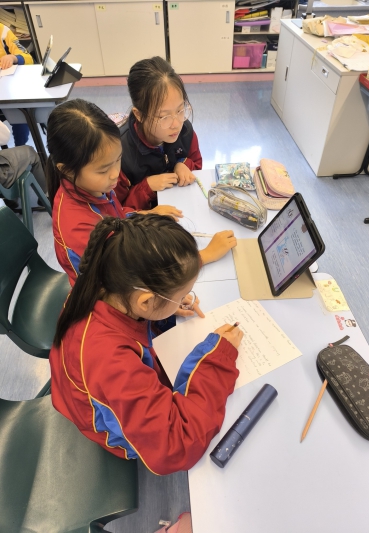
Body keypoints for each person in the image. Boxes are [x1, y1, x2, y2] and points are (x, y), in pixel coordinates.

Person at [49, 214, 243, 475]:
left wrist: (164, 310)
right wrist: (218, 359)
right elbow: (175, 447)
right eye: (180, 296)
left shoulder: (99, 284)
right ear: (145, 301)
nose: (185, 299)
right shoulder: (112, 362)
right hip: (107, 429)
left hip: (90, 391)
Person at [46, 98, 237, 286]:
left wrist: (144, 215)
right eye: (103, 170)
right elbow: (130, 281)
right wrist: (203, 256)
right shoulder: (78, 228)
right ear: (67, 170)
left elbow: (116, 217)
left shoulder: (92, 186)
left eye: (118, 160)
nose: (115, 174)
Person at [120, 56, 201, 198]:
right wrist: (147, 187)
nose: (176, 124)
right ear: (139, 115)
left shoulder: (185, 131)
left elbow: (197, 165)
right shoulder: (120, 152)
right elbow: (117, 206)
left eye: (180, 110)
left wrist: (183, 164)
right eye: (164, 117)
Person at [0, 24, 33, 146]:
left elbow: (28, 58)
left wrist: (13, 58)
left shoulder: (3, 31)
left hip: (7, 89)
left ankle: (20, 148)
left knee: (21, 113)